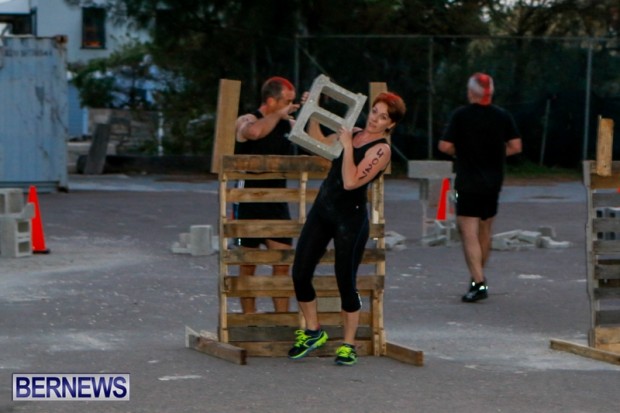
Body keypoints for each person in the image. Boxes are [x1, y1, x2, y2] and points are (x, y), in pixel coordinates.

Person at [287, 92, 407, 365]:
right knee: (300, 272)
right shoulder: (351, 133)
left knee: (345, 281)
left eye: (383, 117)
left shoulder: (382, 150)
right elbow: (319, 144)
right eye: (374, 112)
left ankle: (348, 344)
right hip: (323, 210)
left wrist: (348, 146)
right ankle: (313, 331)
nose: (375, 119)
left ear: (390, 124)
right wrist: (314, 109)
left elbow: (351, 181)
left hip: (349, 220)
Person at [438, 72, 522, 303]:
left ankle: (479, 282)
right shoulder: (502, 116)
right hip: (493, 182)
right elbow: (516, 146)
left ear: (471, 92)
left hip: (468, 181)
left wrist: (463, 152)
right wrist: (495, 154)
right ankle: (477, 278)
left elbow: (444, 146)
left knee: (468, 232)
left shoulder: (461, 115)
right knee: (485, 231)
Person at [234, 76, 301, 314]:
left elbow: (315, 141)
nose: (290, 107)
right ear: (271, 101)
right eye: (287, 102)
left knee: (282, 264)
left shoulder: (287, 124)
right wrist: (277, 115)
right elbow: (253, 133)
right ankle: (249, 320)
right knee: (247, 264)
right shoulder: (248, 119)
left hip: (277, 203)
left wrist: (310, 109)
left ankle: (282, 320)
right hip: (248, 203)